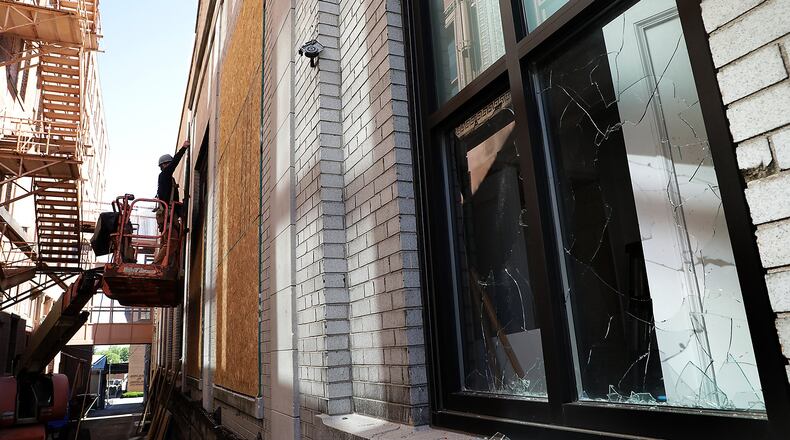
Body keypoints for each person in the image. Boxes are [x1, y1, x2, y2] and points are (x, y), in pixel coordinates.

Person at [154, 140, 189, 265]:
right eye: (168, 164)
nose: (169, 166)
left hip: (167, 214)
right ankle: (157, 265)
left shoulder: (168, 179)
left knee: (167, 242)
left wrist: (181, 210)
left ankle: (161, 264)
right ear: (163, 165)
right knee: (172, 241)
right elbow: (175, 163)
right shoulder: (165, 175)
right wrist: (183, 148)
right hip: (167, 214)